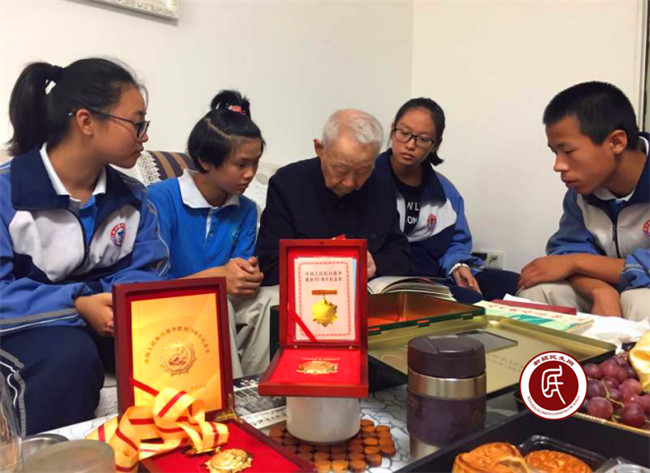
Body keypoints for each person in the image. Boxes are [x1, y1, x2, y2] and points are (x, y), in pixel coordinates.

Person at [0, 58, 168, 434]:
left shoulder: (135, 198)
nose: (144, 137)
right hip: (29, 327)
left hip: (108, 318)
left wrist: (115, 305)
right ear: (86, 122)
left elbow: (149, 270)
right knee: (69, 356)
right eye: (137, 124)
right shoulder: (7, 193)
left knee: (181, 330)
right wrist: (76, 305)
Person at [147, 90, 272, 377]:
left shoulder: (246, 209)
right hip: (166, 304)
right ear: (205, 161)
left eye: (255, 163)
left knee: (270, 299)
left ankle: (260, 392)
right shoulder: (161, 199)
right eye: (241, 164)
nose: (250, 173)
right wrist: (217, 278)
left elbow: (237, 276)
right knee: (216, 302)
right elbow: (150, 285)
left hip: (220, 300)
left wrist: (246, 277)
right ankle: (229, 398)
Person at [518, 81, 649, 321]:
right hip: (608, 285)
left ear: (616, 142)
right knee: (538, 291)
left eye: (568, 151)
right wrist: (599, 290)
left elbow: (571, 260)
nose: (558, 165)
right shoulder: (582, 191)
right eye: (555, 152)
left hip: (641, 295)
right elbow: (565, 252)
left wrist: (576, 262)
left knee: (640, 302)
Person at [374, 98, 519, 303]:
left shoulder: (445, 192)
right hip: (388, 279)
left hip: (436, 276)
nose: (410, 145)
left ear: (435, 144)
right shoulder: (366, 180)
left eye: (423, 139)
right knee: (468, 299)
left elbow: (457, 243)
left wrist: (457, 265)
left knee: (513, 284)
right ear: (392, 131)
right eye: (404, 133)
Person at [256, 109, 411, 286]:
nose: (350, 182)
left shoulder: (382, 186)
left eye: (362, 171)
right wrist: (324, 266)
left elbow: (401, 255)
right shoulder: (287, 185)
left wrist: (375, 264)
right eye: (340, 169)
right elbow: (270, 265)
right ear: (319, 149)